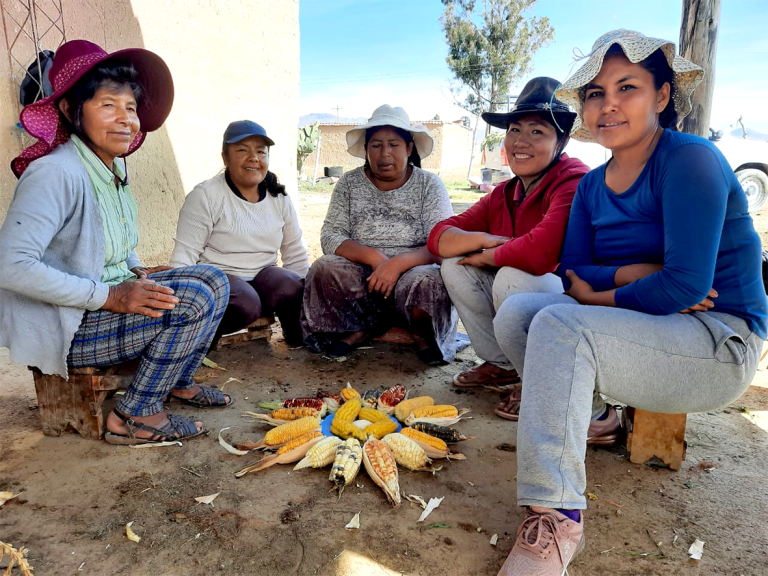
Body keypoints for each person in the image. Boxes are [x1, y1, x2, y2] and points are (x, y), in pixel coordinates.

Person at [492, 30, 767, 575]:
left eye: (627, 87)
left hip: (719, 340)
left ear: (663, 96)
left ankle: (556, 516)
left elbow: (688, 287)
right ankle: (596, 417)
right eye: (594, 93)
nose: (608, 103)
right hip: (649, 329)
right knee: (520, 314)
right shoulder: (592, 186)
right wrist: (635, 275)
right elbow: (573, 277)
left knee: (561, 327)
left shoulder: (691, 161)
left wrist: (606, 292)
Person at [0, 40, 232, 446]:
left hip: (97, 311)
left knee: (213, 280)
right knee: (193, 296)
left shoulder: (112, 168)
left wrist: (137, 270)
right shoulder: (56, 173)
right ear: (71, 111)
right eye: (108, 105)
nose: (126, 118)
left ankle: (175, 380)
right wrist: (111, 295)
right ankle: (135, 417)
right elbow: (11, 265)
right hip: (69, 328)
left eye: (130, 107)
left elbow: (112, 242)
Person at [428, 77, 589, 419]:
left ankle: (539, 378)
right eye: (515, 130)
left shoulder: (573, 180)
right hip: (527, 291)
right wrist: (485, 241)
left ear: (562, 140)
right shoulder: (505, 192)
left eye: (537, 132)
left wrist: (489, 255)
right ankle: (503, 364)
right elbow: (439, 237)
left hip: (575, 299)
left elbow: (540, 253)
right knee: (454, 264)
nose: (521, 142)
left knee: (510, 277)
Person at [300, 105, 457, 365]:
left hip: (414, 271)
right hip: (363, 274)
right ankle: (358, 326)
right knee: (324, 268)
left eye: (394, 144)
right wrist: (375, 259)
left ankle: (422, 332)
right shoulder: (349, 184)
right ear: (366, 150)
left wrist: (398, 264)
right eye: (376, 145)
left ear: (409, 148)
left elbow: (443, 242)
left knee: (428, 282)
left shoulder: (429, 185)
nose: (385, 154)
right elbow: (331, 235)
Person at [170, 120, 308, 345]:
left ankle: (298, 339)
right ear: (225, 158)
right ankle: (199, 343)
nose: (253, 158)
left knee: (291, 284)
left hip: (263, 279)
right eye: (242, 150)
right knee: (246, 302)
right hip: (222, 284)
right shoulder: (206, 196)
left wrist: (302, 296)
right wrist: (180, 303)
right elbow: (185, 254)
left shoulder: (279, 198)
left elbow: (294, 250)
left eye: (261, 152)